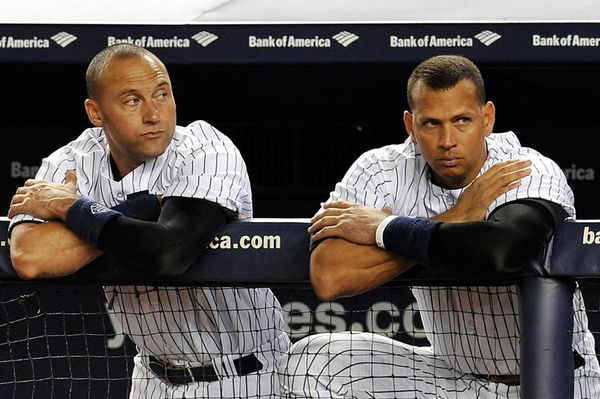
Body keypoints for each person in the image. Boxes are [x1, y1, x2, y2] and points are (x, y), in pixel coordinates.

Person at [279, 55, 600, 398]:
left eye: (462, 120)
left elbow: (500, 249)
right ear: (410, 125)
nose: (447, 140)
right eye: (431, 123)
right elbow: (330, 277)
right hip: (452, 377)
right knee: (312, 360)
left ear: (487, 118)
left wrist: (385, 230)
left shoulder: (524, 167)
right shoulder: (381, 169)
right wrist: (456, 215)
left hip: (553, 379)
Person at [7, 43, 290, 398]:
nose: (154, 114)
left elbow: (169, 253)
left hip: (246, 373)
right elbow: (32, 258)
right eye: (132, 101)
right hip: (151, 376)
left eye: (162, 94)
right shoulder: (72, 162)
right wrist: (138, 210)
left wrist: (74, 211)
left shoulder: (204, 148)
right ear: (96, 112)